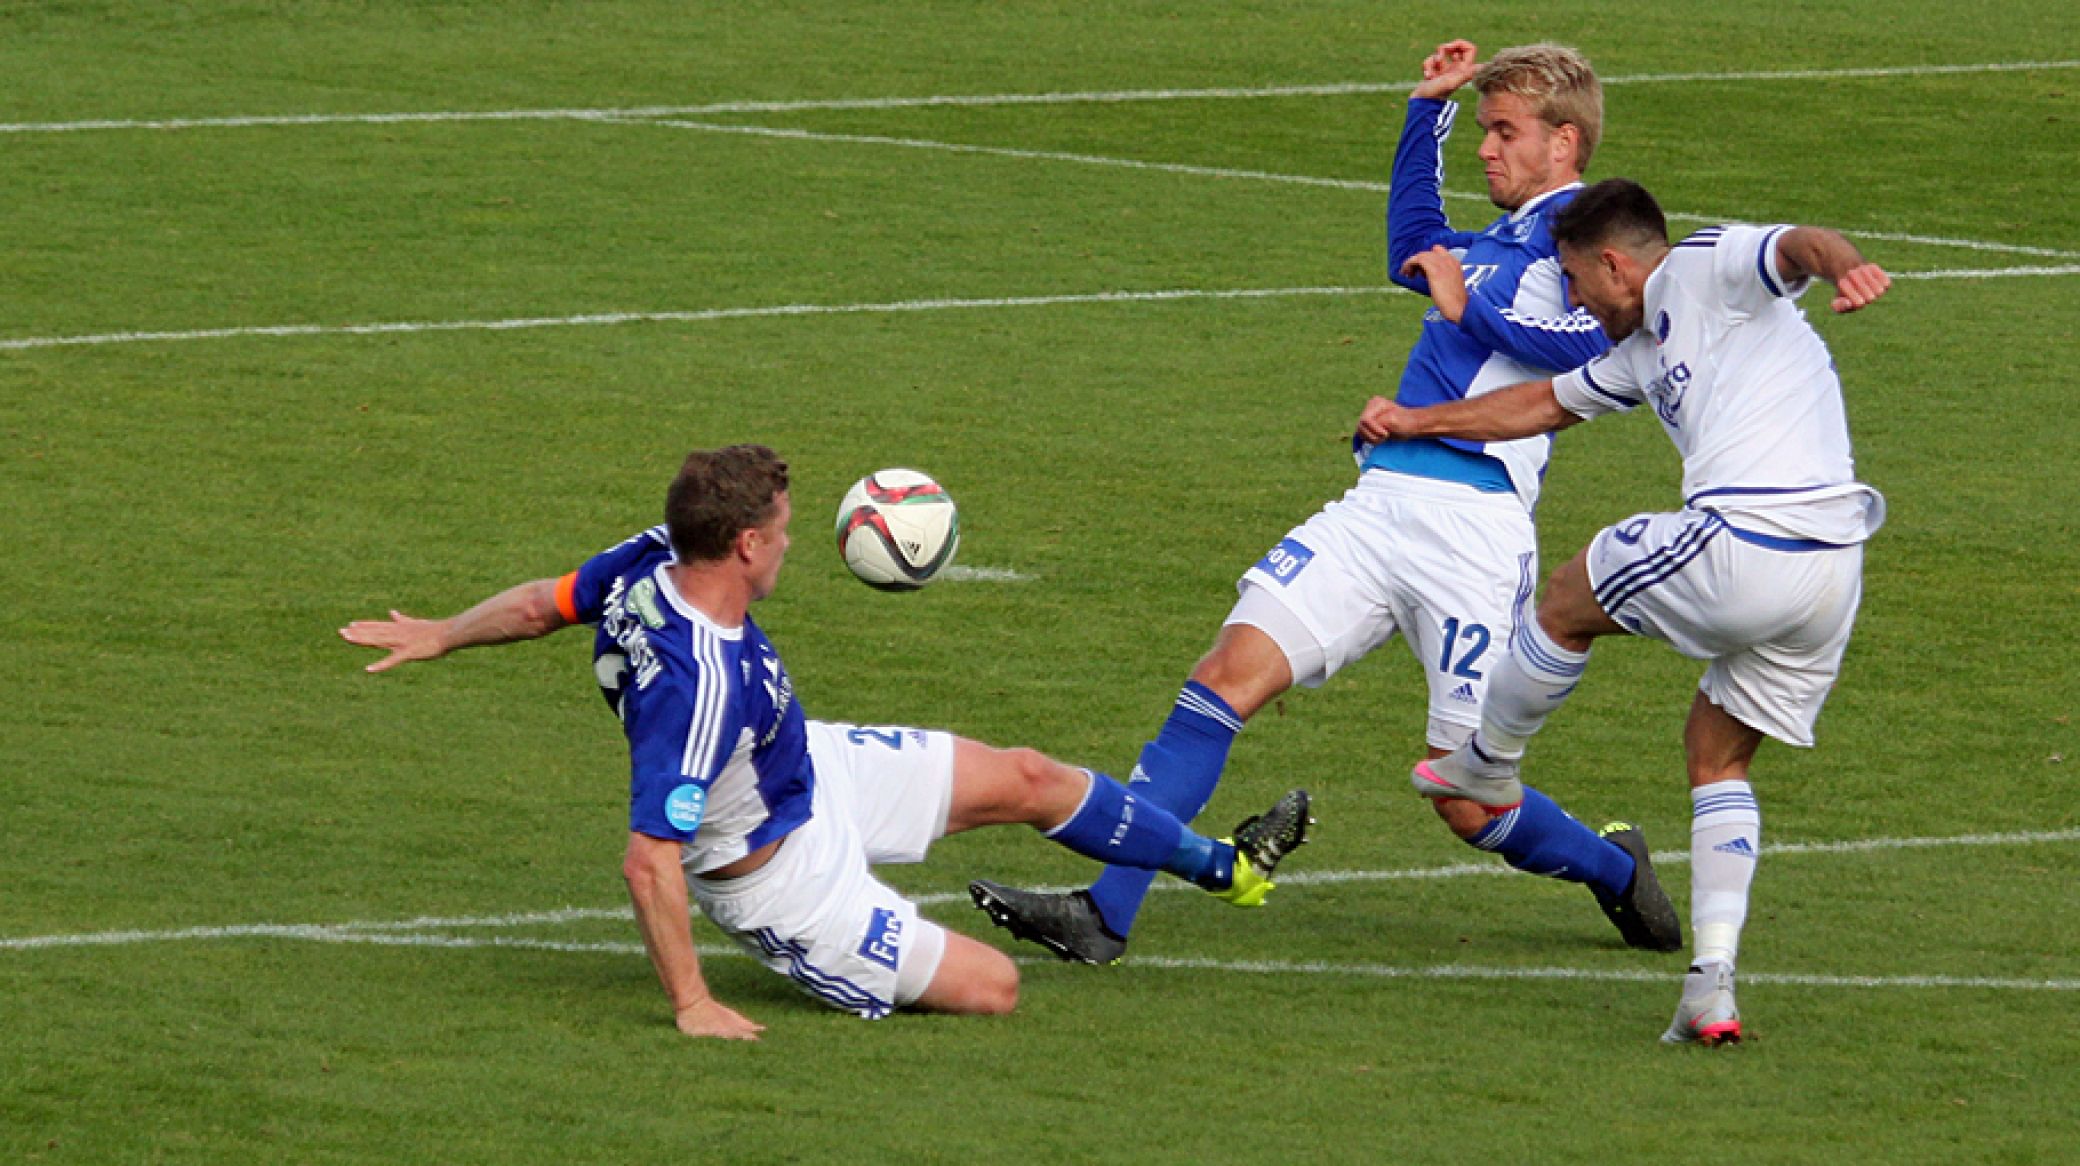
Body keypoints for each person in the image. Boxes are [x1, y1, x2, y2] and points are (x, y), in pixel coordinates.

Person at [970, 40, 1679, 965]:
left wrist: (1470, 312)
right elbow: (1410, 252)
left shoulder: (1586, 253)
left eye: (1505, 132)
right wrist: (1428, 112)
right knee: (1222, 678)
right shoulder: (1496, 244)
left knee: (1467, 797)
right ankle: (1105, 915)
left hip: (1473, 533)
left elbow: (1582, 352)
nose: (1488, 150)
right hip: (1376, 507)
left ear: (1566, 142)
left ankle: (1613, 869)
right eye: (1487, 129)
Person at [341, 445, 1311, 1039]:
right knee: (996, 987)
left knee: (1027, 775)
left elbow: (543, 603)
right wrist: (690, 1001)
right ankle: (811, 961)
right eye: (786, 529)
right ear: (747, 547)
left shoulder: (654, 553)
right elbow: (649, 859)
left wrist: (440, 632)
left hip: (807, 760)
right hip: (781, 877)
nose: (796, 541)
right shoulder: (699, 683)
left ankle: (1225, 867)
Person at [1360, 178, 1891, 1044]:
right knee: (1716, 758)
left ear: (1612, 262)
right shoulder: (1638, 349)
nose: (1569, 299)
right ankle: (1711, 987)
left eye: (1572, 279)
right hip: (1829, 577)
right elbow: (1540, 404)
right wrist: (1419, 421)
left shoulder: (1706, 265)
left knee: (1568, 595)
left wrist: (1850, 268)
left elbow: (1801, 240)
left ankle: (1487, 765)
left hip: (1750, 541)